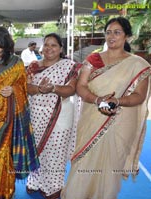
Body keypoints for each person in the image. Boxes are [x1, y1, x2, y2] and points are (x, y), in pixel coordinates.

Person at [61, 17, 151, 199]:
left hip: (121, 124)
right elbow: (81, 86)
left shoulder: (138, 64)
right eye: (108, 32)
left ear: (127, 36)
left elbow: (139, 96)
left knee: (110, 169)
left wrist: (116, 102)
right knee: (84, 163)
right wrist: (98, 101)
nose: (111, 36)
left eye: (117, 32)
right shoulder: (94, 59)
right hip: (92, 118)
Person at [0, 26, 40, 199]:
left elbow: (23, 87)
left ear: (4, 43)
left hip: (8, 114)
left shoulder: (16, 62)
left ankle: (6, 191)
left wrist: (13, 89)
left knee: (6, 154)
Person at [26, 33, 79, 199]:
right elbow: (26, 88)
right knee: (36, 150)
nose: (49, 48)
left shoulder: (69, 66)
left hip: (60, 114)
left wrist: (53, 88)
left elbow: (71, 89)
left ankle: (54, 185)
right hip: (35, 114)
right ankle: (35, 180)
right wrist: (40, 89)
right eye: (46, 44)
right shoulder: (33, 66)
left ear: (61, 49)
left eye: (54, 45)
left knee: (56, 150)